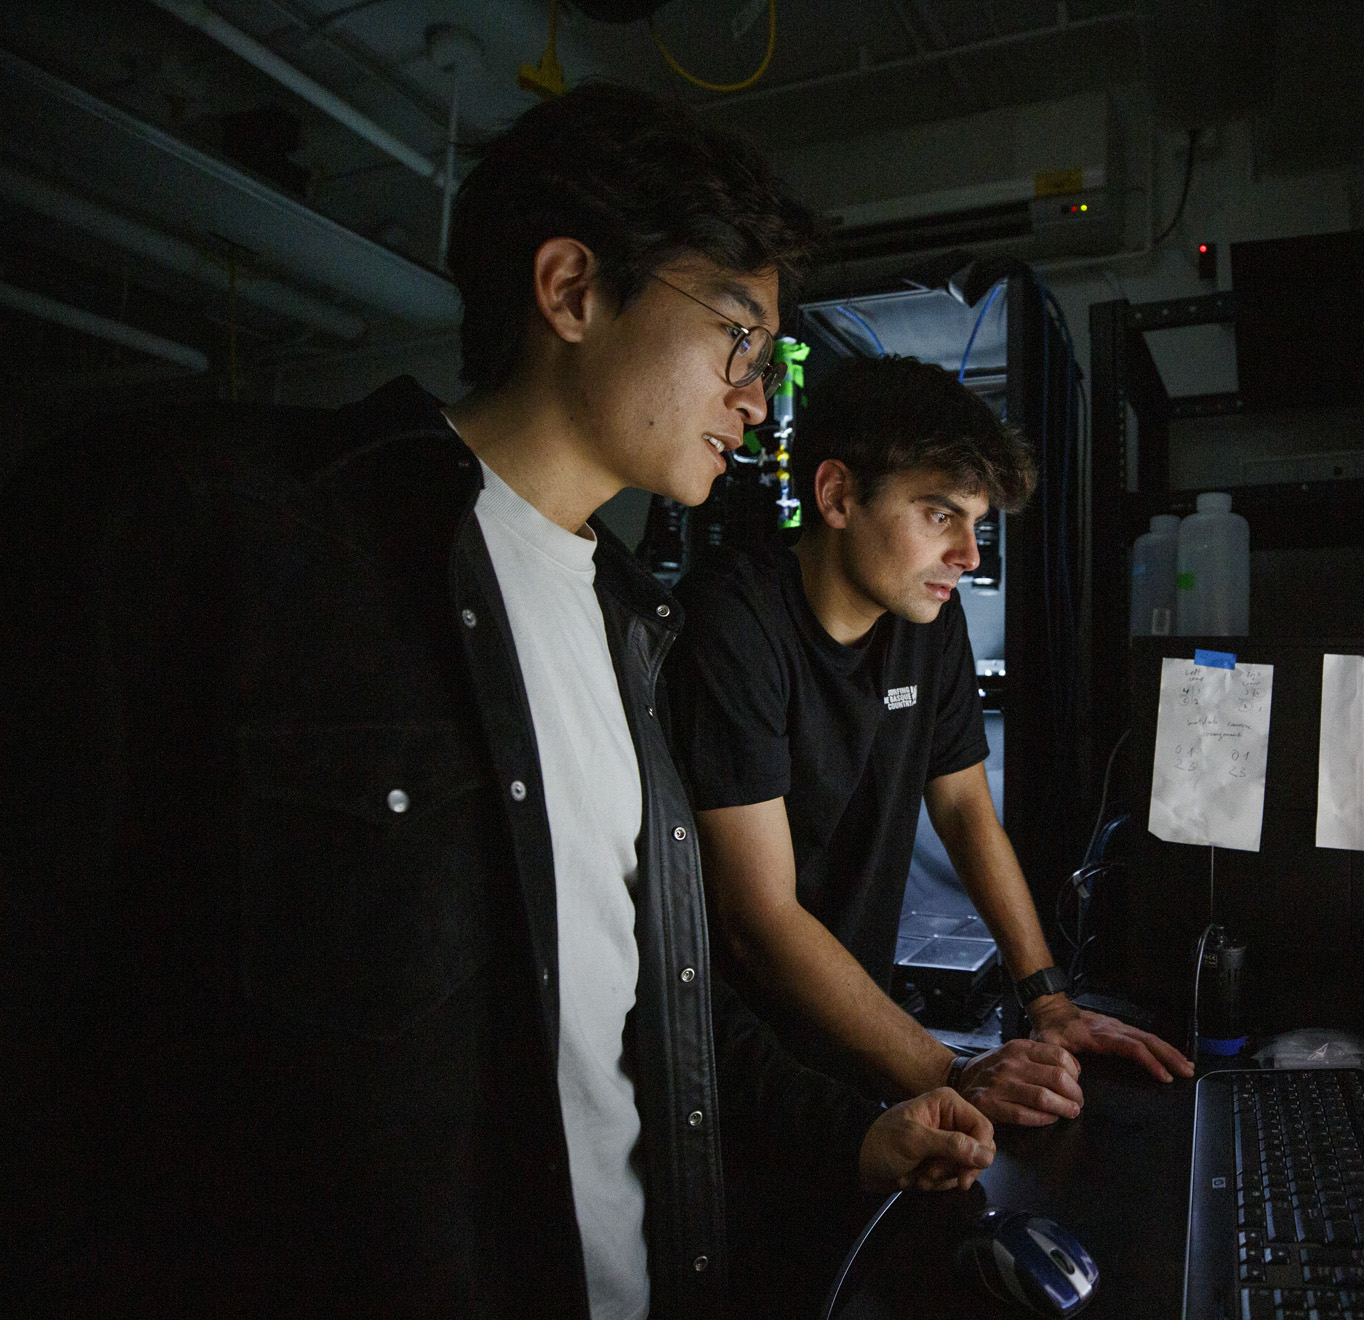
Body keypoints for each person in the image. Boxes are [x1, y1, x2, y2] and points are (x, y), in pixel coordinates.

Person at [0, 85, 992, 1319]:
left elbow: (645, 1007)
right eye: (738, 336)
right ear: (573, 290)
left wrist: (857, 1131)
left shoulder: (642, 628)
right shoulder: (204, 531)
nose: (757, 396)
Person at [666, 354, 1193, 1133]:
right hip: (731, 1062)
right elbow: (759, 919)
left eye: (977, 525)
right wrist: (951, 1071)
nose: (971, 557)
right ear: (837, 494)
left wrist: (1047, 1000)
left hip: (856, 1037)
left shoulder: (929, 623)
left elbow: (965, 810)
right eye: (941, 515)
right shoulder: (733, 624)